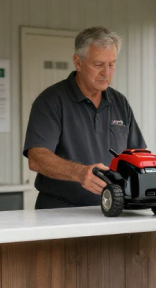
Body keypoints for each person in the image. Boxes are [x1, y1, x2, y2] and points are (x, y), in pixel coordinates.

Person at [23, 26, 146, 209]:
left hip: (112, 208)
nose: (106, 72)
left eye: (111, 64)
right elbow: (37, 158)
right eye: (98, 65)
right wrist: (79, 173)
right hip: (59, 212)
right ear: (78, 62)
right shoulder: (51, 101)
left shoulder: (120, 102)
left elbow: (137, 155)